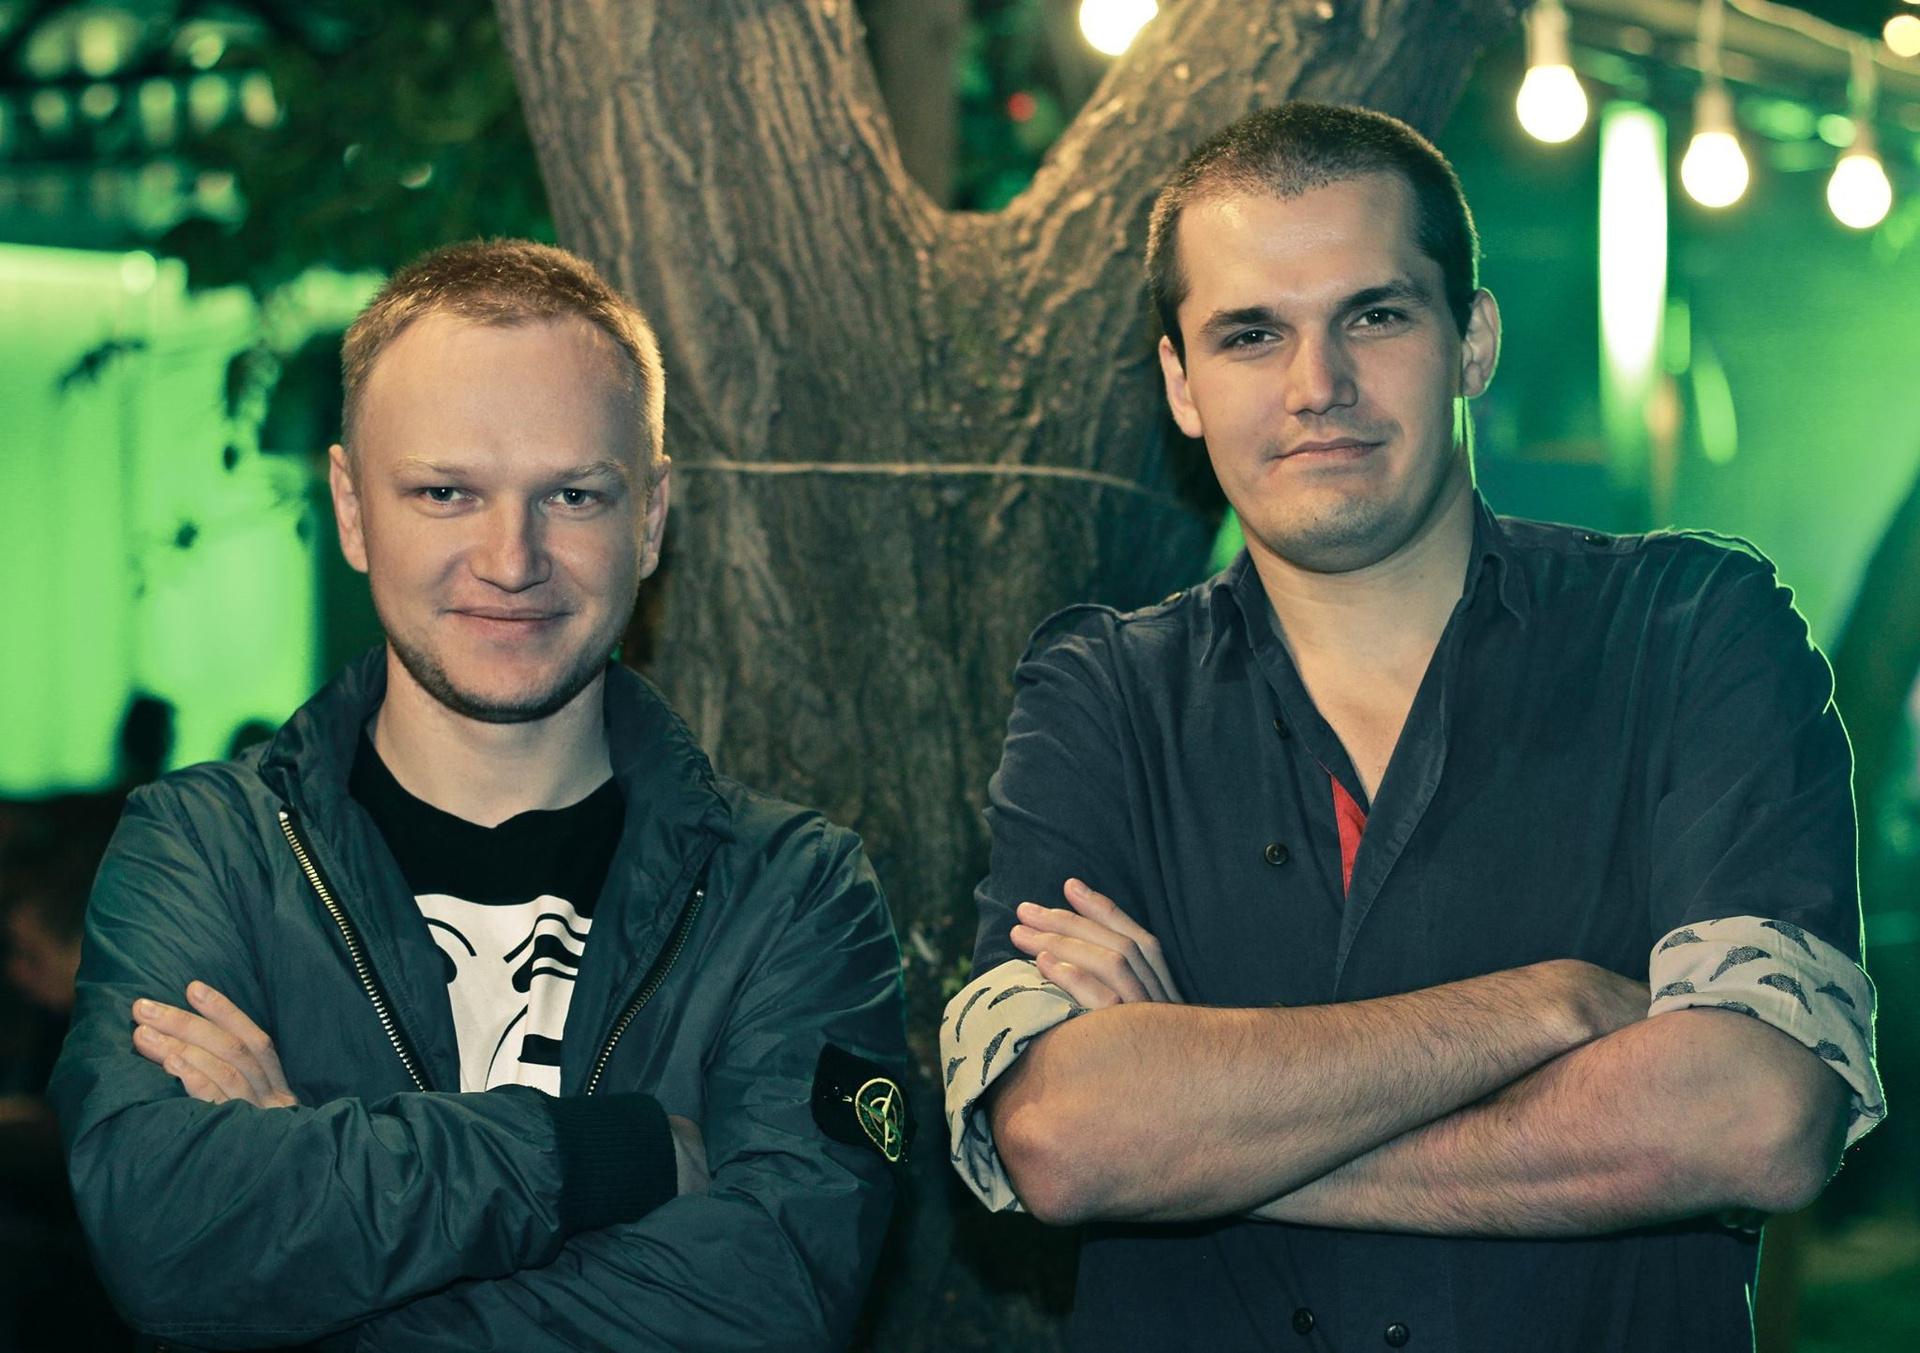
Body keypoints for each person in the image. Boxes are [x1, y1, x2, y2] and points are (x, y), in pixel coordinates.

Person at [941, 103, 1883, 1351]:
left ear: (1472, 341)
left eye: (1374, 316)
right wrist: (1551, 1007)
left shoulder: (1695, 629)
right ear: (1180, 385)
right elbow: (1064, 1137)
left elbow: (1756, 1118)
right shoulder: (1099, 695)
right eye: (1250, 334)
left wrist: (1203, 1139)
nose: (1316, 387)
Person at [52, 240, 910, 1352]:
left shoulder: (793, 891)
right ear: (352, 509)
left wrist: (317, 1221)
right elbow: (170, 1235)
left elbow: (773, 1298)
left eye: (573, 494)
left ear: (651, 517)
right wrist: (614, 1155)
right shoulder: (207, 850)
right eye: (445, 492)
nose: (512, 559)